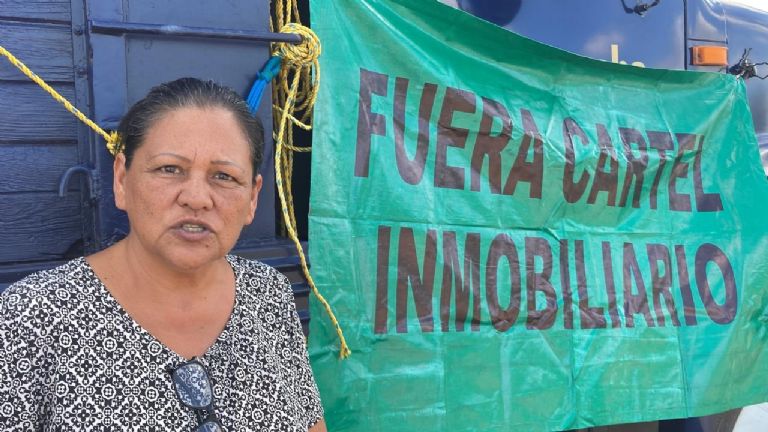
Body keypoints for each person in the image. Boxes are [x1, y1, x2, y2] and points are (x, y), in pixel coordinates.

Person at [0, 78, 326, 431]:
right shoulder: (32, 316)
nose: (197, 198)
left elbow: (310, 422)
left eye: (224, 176)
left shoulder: (268, 292)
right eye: (169, 169)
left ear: (252, 198)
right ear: (122, 179)